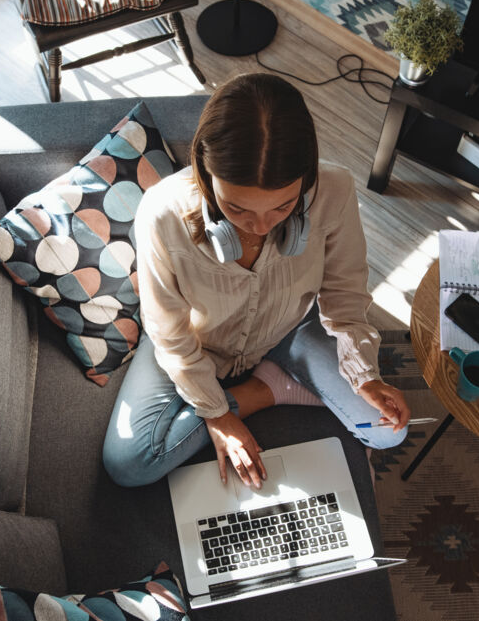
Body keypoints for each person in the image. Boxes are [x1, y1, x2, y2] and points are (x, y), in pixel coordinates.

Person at [102, 73, 410, 490]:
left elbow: (344, 296)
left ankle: (268, 389)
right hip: (197, 344)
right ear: (206, 174)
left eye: (283, 207)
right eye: (237, 208)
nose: (261, 226)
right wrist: (217, 415)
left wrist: (364, 375)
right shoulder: (162, 213)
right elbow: (169, 334)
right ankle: (272, 388)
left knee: (387, 430)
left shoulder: (335, 190)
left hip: (290, 330)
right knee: (128, 463)